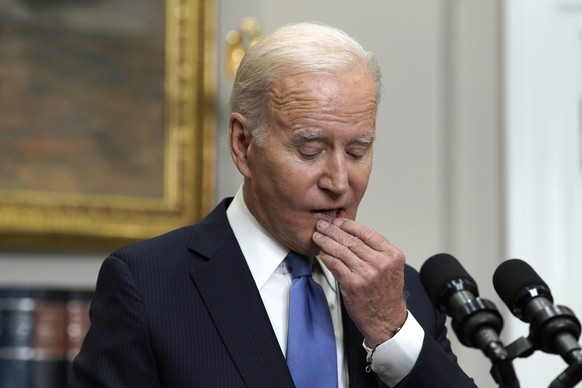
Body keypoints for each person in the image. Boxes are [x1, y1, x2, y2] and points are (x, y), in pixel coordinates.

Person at [70, 22, 475, 387]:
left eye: (356, 151)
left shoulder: (401, 292)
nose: (339, 182)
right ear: (243, 145)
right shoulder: (147, 285)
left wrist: (392, 332)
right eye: (310, 150)